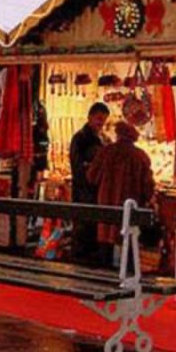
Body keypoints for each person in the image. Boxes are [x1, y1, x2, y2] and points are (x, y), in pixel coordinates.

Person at [87, 121, 155, 267]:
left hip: (107, 202)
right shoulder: (140, 156)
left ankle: (104, 272)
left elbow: (92, 177)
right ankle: (129, 273)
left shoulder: (105, 152)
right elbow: (148, 186)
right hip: (130, 205)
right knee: (129, 241)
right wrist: (150, 199)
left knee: (105, 240)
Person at [69, 102, 110, 262]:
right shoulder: (80, 138)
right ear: (90, 117)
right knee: (83, 226)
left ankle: (89, 257)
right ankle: (80, 257)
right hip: (84, 191)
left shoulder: (102, 139)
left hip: (95, 191)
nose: (101, 123)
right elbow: (77, 166)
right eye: (99, 119)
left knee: (92, 227)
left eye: (104, 120)